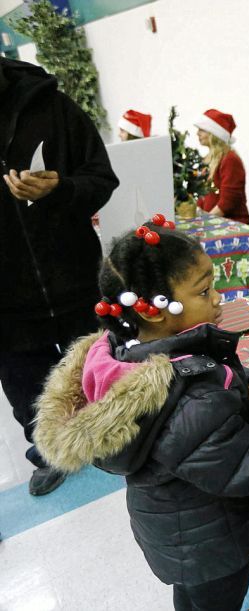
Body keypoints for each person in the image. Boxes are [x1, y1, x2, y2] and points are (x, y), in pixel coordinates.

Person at [32, 217, 249, 611]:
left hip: (175, 534)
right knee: (216, 598)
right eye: (205, 290)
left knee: (191, 595)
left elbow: (211, 380)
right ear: (155, 312)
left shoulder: (122, 356)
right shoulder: (188, 396)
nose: (218, 297)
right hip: (212, 542)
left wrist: (243, 384)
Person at [0, 57, 119, 496]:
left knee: (98, 368)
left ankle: (111, 441)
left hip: (74, 281)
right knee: (25, 388)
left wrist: (61, 189)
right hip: (7, 303)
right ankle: (47, 454)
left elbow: (102, 177)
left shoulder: (54, 108)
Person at [194, 109, 249, 224]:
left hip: (232, 224)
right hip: (215, 222)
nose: (197, 133)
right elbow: (201, 197)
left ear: (213, 134)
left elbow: (228, 202)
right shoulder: (206, 160)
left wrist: (204, 222)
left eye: (202, 130)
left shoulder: (230, 159)